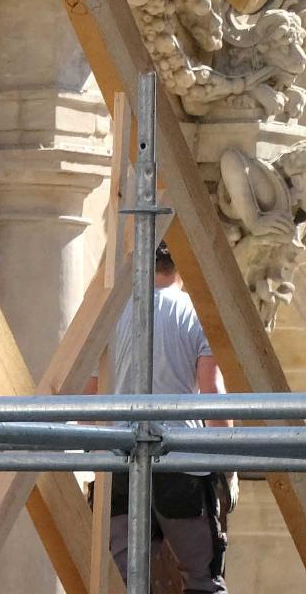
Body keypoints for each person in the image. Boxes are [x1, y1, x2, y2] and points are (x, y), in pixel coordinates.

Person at [102, 243, 229, 593]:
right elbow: (211, 392)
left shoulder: (115, 313)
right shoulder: (198, 313)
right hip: (180, 460)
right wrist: (228, 462)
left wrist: (94, 456)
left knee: (123, 580)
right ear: (183, 266)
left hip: (119, 457)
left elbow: (91, 389)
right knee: (203, 581)